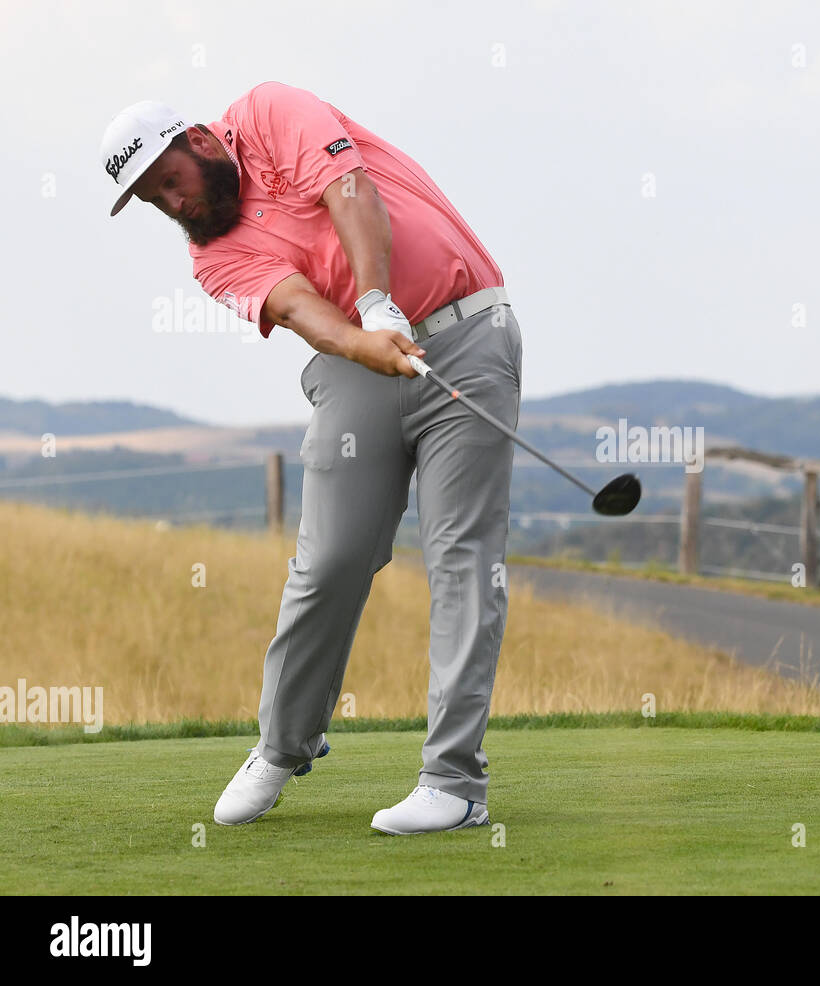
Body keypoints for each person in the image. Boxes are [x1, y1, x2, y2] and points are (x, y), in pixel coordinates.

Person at [99, 82, 522, 834]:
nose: (176, 207)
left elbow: (349, 189)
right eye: (155, 203)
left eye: (170, 182)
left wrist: (378, 298)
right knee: (329, 562)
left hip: (466, 337)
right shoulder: (212, 259)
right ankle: (283, 745)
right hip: (360, 369)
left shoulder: (268, 112)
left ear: (199, 140)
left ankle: (453, 783)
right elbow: (296, 307)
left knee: (462, 557)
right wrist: (367, 335)